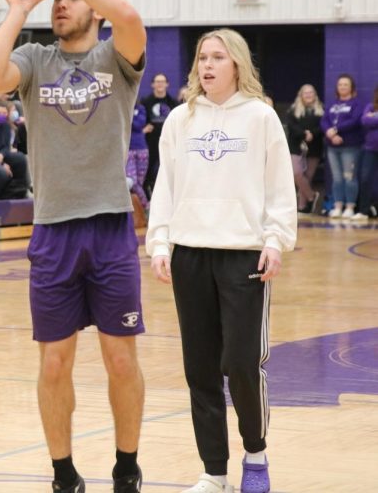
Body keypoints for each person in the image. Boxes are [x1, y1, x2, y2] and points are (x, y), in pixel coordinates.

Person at [0, 0, 147, 493]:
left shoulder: (116, 59)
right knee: (54, 364)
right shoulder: (34, 59)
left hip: (110, 226)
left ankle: (126, 465)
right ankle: (63, 474)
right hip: (53, 230)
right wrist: (20, 7)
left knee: (120, 359)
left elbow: (131, 17)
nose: (61, 4)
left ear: (94, 6)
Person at [146, 28, 297, 493]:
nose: (206, 66)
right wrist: (159, 241)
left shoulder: (260, 118)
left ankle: (256, 452)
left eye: (217, 57)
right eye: (201, 58)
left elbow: (279, 185)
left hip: (244, 256)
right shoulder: (179, 119)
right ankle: (214, 472)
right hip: (190, 253)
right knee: (200, 369)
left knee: (241, 362)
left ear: (237, 65)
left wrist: (275, 239)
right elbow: (164, 185)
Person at [321, 74, 365, 220]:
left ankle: (350, 207)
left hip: (350, 146)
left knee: (349, 177)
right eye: (340, 84)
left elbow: (355, 120)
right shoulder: (333, 104)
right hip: (332, 146)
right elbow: (325, 120)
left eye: (345, 84)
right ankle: (338, 206)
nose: (342, 87)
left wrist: (336, 130)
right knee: (337, 178)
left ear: (351, 87)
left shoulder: (356, 104)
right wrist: (330, 133)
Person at [285, 83, 324, 213]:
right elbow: (291, 126)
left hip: (314, 148)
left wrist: (312, 134)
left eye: (311, 92)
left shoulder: (321, 110)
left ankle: (302, 207)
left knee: (308, 177)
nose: (308, 95)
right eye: (305, 92)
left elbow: (322, 126)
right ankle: (312, 196)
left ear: (315, 95)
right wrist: (304, 134)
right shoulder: (293, 110)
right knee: (297, 173)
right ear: (300, 95)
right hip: (296, 146)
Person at [140, 73, 178, 194]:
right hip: (150, 141)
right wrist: (143, 128)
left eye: (162, 81)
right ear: (152, 84)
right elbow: (139, 120)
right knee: (148, 168)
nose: (160, 84)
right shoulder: (145, 102)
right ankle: (147, 195)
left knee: (168, 167)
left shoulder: (174, 103)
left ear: (167, 84)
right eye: (157, 81)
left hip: (168, 141)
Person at [358, 85, 378, 219]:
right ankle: (363, 211)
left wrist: (374, 118)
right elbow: (364, 120)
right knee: (365, 179)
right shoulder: (371, 106)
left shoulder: (372, 111)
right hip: (370, 148)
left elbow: (370, 120)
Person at [126, 101, 148, 210]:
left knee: (140, 182)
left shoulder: (141, 108)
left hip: (142, 149)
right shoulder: (123, 107)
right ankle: (146, 207)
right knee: (133, 182)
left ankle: (142, 211)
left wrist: (128, 117)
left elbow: (139, 124)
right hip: (128, 149)